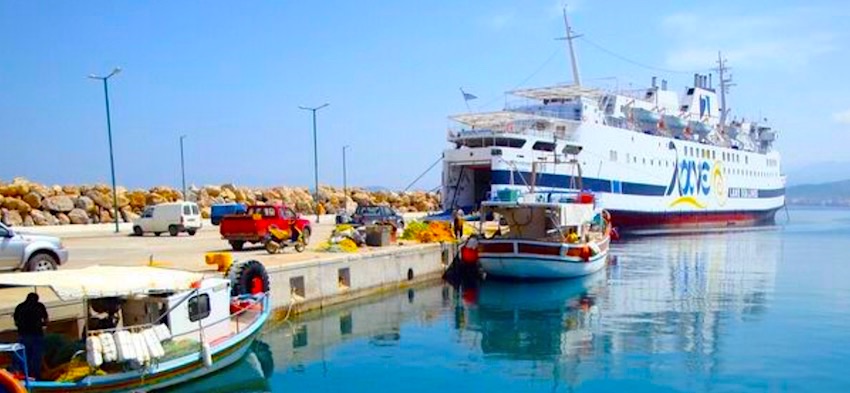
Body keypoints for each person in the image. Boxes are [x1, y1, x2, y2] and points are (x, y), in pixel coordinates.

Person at [14, 293, 48, 380]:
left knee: (24, 357)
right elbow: (46, 319)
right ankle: (35, 377)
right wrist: (42, 325)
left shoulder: (20, 306)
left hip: (24, 335)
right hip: (37, 334)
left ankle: (25, 376)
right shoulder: (39, 306)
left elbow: (16, 321)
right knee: (36, 358)